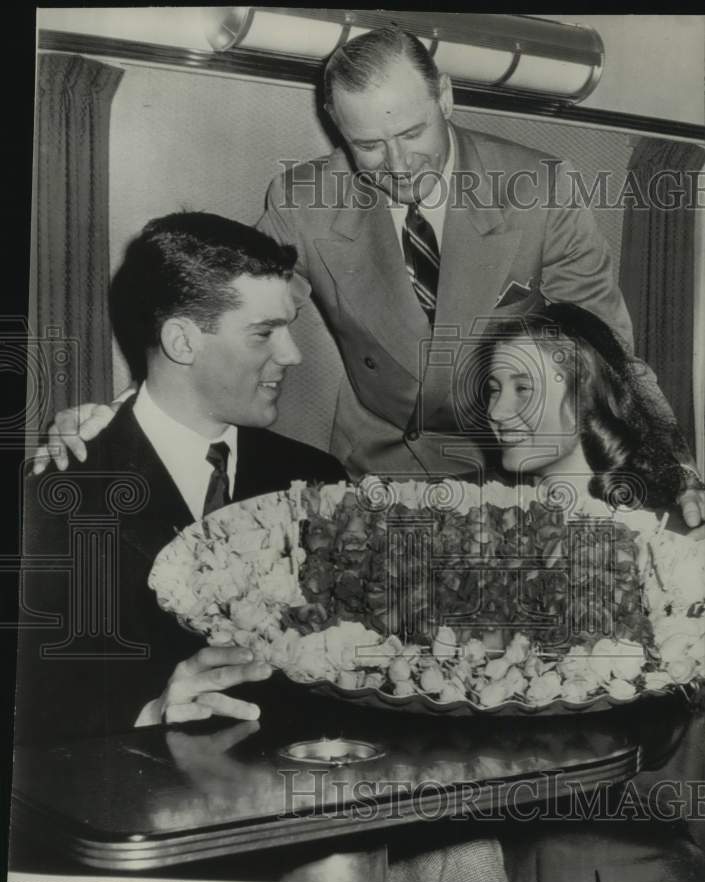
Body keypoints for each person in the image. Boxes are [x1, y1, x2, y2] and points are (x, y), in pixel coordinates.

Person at [32, 26, 705, 529]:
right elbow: (230, 317)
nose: (397, 164)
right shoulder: (304, 200)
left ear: (445, 96)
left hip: (505, 465)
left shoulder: (540, 188)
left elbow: (607, 348)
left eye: (412, 133)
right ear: (335, 126)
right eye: (368, 145)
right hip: (373, 469)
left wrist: (666, 460)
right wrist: (122, 418)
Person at [16, 212, 346, 743]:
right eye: (264, 333)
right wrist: (149, 713)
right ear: (182, 343)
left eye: (288, 328)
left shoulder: (318, 480)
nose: (293, 354)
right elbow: (30, 716)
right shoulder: (52, 501)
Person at [479, 301, 692, 511]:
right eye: (494, 390)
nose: (495, 411)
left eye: (523, 389)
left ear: (585, 398)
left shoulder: (662, 536)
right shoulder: (482, 506)